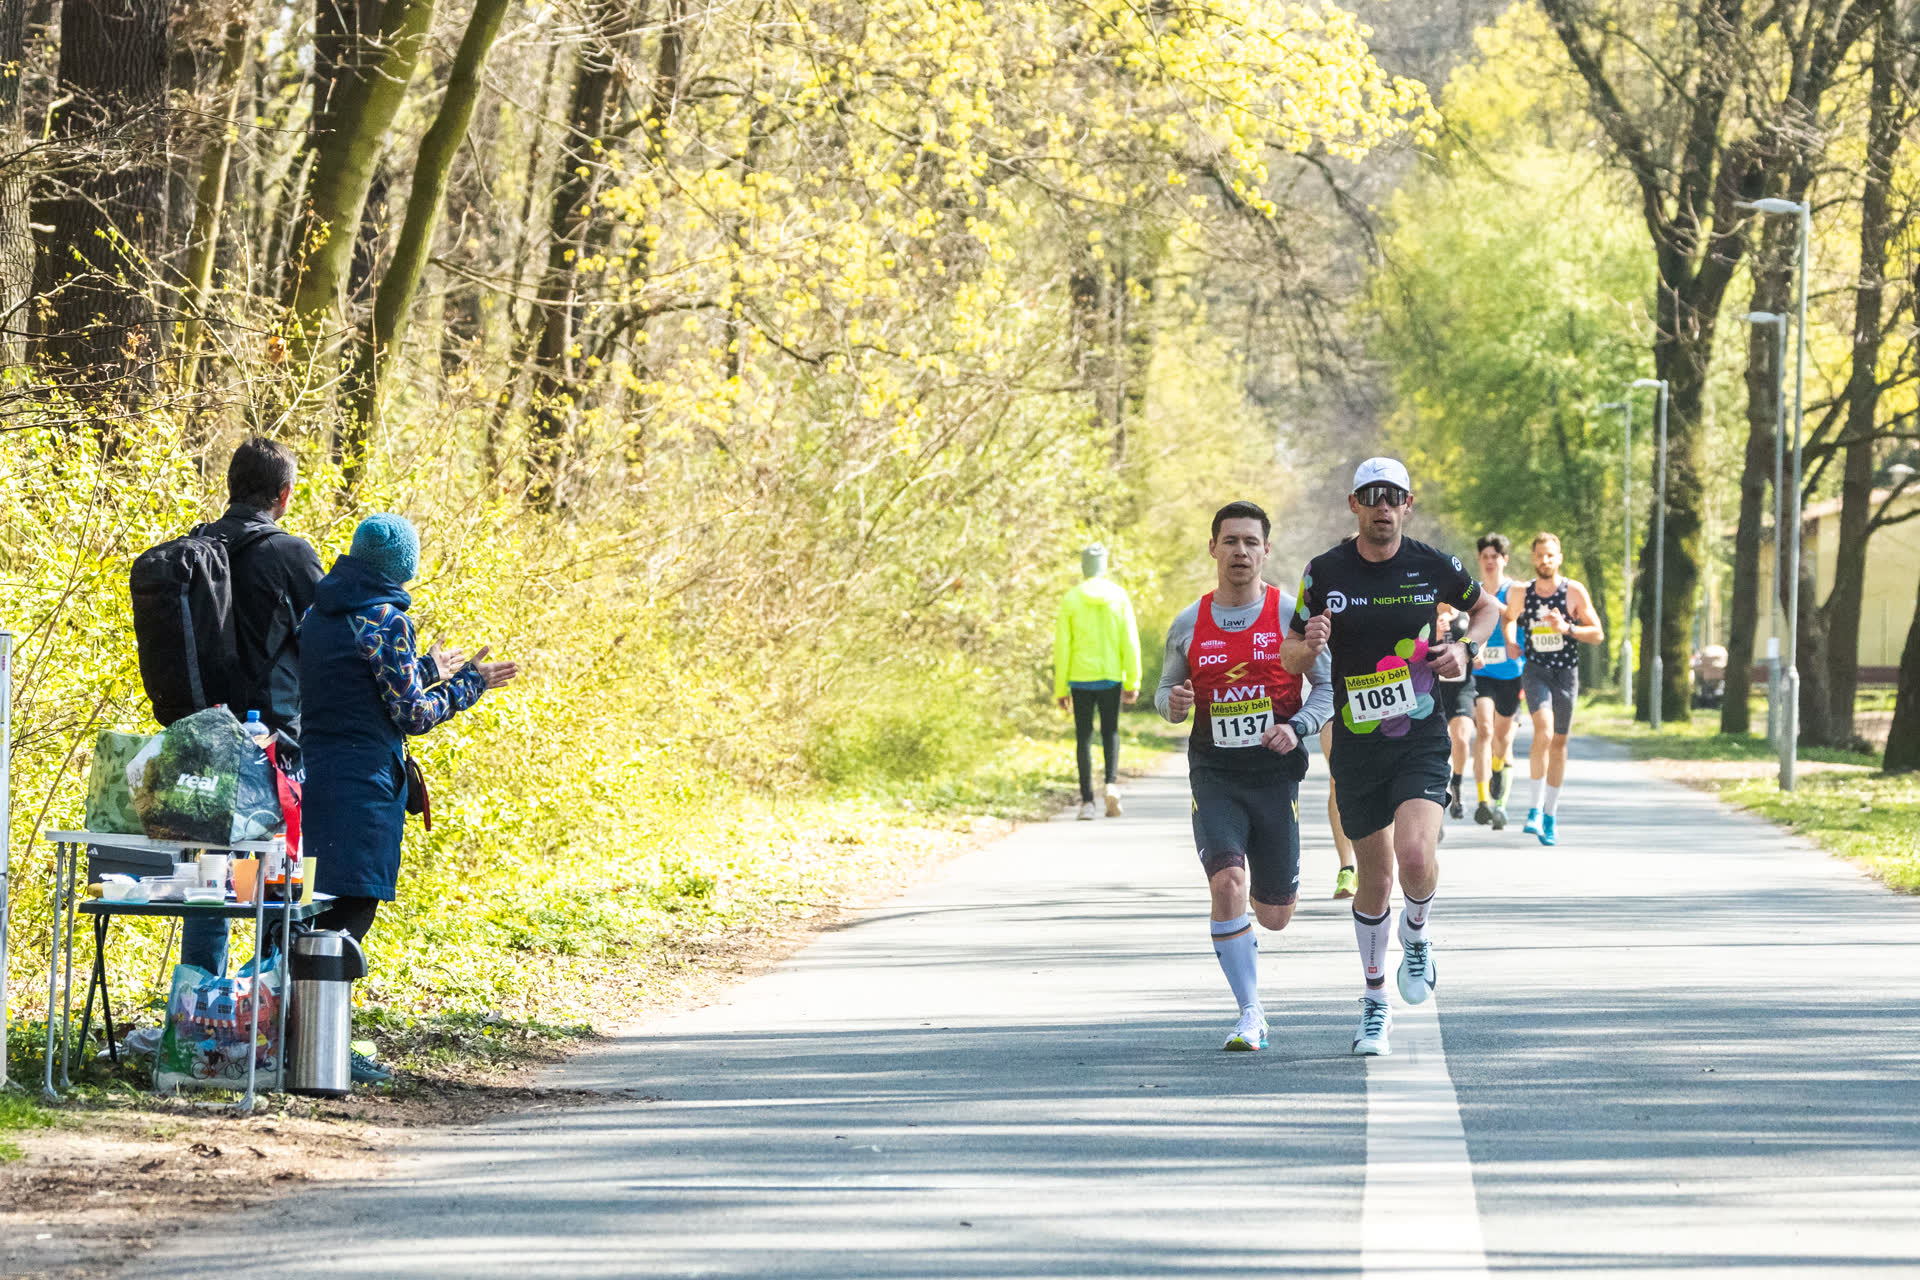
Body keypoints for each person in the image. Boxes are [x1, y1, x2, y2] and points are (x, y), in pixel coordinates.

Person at [1284, 458, 1499, 1056]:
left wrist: (1466, 649)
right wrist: (1309, 645)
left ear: (1408, 504)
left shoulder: (1433, 565)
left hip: (1421, 735)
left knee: (1416, 854)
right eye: (1372, 496)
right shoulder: (1324, 571)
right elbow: (1290, 651)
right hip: (1357, 742)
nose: (1383, 506)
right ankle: (1374, 1001)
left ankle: (1418, 931)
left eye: (1393, 497)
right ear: (1353, 503)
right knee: (1375, 878)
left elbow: (1487, 609)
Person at [299, 514, 519, 1081]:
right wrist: (469, 683)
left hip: (313, 780)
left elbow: (354, 685)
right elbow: (412, 713)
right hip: (364, 788)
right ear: (403, 566)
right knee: (348, 918)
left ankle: (283, 1034)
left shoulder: (318, 614)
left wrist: (424, 667)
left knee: (305, 917)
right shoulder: (386, 619)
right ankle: (324, 1048)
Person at [1156, 502, 1332, 1051]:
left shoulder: (1287, 616)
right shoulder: (1189, 623)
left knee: (1274, 915)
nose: (1240, 551)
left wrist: (1297, 727)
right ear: (1213, 548)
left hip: (1275, 775)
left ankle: (1255, 935)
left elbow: (1328, 689)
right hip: (1215, 773)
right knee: (1227, 882)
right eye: (1230, 541)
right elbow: (1164, 694)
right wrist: (1175, 704)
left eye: (1251, 542)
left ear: (1266, 551)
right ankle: (1250, 1011)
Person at [181, 438, 324, 979]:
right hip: (273, 744)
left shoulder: (199, 546)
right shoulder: (291, 555)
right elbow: (329, 638)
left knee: (212, 878)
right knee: (282, 879)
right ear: (284, 494)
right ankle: (267, 1003)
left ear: (231, 485)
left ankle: (197, 1002)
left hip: (203, 735)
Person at [1513, 532, 1604, 847]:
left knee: (1559, 743)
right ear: (1533, 558)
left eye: (1550, 555)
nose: (1545, 560)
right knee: (1544, 730)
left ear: (1559, 558)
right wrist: (1510, 640)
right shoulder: (1523, 593)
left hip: (1566, 674)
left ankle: (1550, 814)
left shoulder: (1573, 591)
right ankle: (1534, 810)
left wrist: (1568, 628)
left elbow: (1598, 633)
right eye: (1540, 555)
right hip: (1536, 670)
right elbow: (1508, 617)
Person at [1053, 543, 1142, 819]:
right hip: (1111, 677)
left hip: (1080, 678)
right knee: (1110, 732)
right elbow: (1129, 641)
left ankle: (1087, 802)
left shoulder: (1071, 598)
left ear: (1084, 566)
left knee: (1083, 737)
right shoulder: (1119, 596)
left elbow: (1062, 646)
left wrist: (1061, 687)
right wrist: (1133, 680)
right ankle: (1111, 785)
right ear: (1104, 566)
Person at [1470, 534, 1525, 829]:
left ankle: (1498, 783)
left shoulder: (1515, 590)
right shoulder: (1473, 591)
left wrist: (1492, 604)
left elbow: (1516, 616)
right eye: (1485, 557)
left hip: (1511, 673)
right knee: (1485, 730)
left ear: (1504, 560)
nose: (1490, 562)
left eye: (1495, 556)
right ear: (1480, 560)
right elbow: (1466, 624)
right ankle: (1483, 802)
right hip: (1482, 673)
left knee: (1503, 739)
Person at [1435, 602, 1477, 819]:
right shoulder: (1428, 613)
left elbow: (1480, 638)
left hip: (1462, 687)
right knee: (1438, 744)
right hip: (1434, 689)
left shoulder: (1466, 614)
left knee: (1461, 738)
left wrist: (1478, 653)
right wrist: (1435, 633)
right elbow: (1414, 650)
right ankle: (1437, 789)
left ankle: (1457, 783)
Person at [1321, 725, 1357, 898]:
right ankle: (1346, 868)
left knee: (1382, 778)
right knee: (1337, 780)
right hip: (1336, 711)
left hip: (1380, 715)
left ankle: (1375, 863)